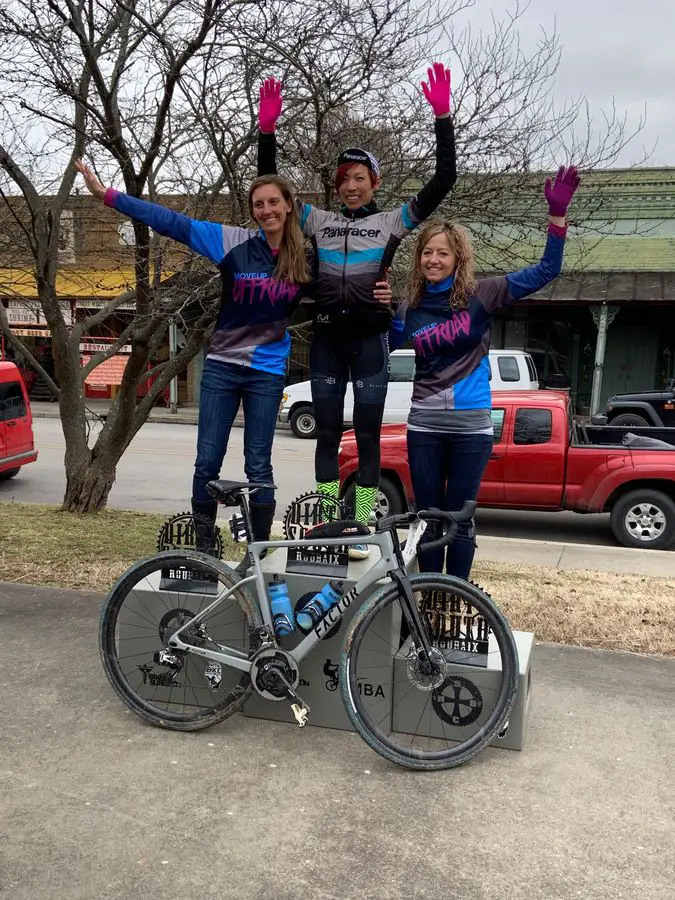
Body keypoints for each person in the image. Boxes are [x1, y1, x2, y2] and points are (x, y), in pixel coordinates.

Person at [256, 65, 456, 558]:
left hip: (370, 343)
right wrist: (267, 133)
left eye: (359, 179)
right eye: (344, 179)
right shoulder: (316, 219)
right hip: (325, 340)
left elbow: (443, 180)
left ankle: (362, 525)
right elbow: (271, 190)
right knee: (326, 434)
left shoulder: (393, 221)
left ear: (374, 183)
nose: (351, 186)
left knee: (367, 437)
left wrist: (442, 118)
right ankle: (329, 523)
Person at [74, 160, 312, 561]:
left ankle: (258, 554)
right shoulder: (232, 241)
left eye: (274, 202)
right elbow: (172, 222)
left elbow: (348, 287)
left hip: (267, 373)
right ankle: (205, 551)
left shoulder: (306, 256)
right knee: (207, 463)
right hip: (221, 367)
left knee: (259, 467)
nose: (266, 210)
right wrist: (108, 196)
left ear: (289, 205)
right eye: (258, 204)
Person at [389, 165, 581, 579]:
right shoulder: (409, 310)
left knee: (459, 519)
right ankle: (426, 599)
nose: (434, 259)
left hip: (471, 426)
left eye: (443, 252)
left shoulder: (483, 294)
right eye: (427, 251)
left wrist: (557, 218)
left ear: (458, 258)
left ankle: (454, 601)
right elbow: (382, 347)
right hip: (424, 425)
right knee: (427, 518)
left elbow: (547, 271)